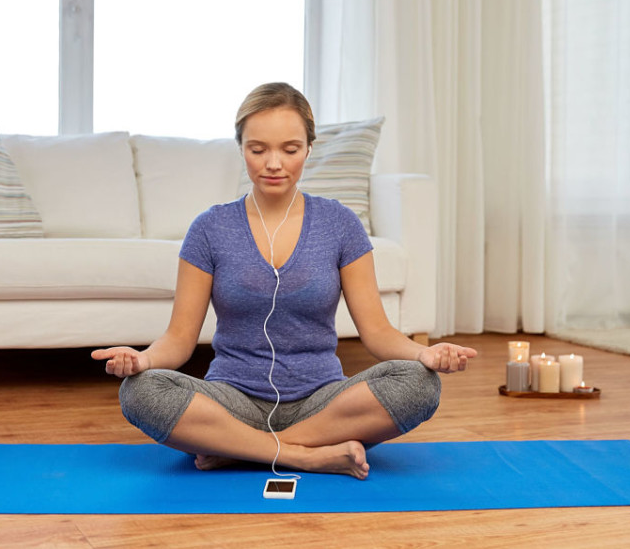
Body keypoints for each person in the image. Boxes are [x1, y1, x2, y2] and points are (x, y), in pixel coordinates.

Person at [92, 82, 477, 479]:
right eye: (258, 149)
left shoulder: (339, 225)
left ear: (309, 148)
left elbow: (377, 332)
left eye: (289, 149)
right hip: (231, 399)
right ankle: (304, 455)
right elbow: (179, 339)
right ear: (240, 147)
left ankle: (239, 449)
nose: (273, 163)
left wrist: (423, 356)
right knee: (139, 390)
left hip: (322, 401)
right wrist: (144, 360)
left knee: (420, 385)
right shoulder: (209, 229)